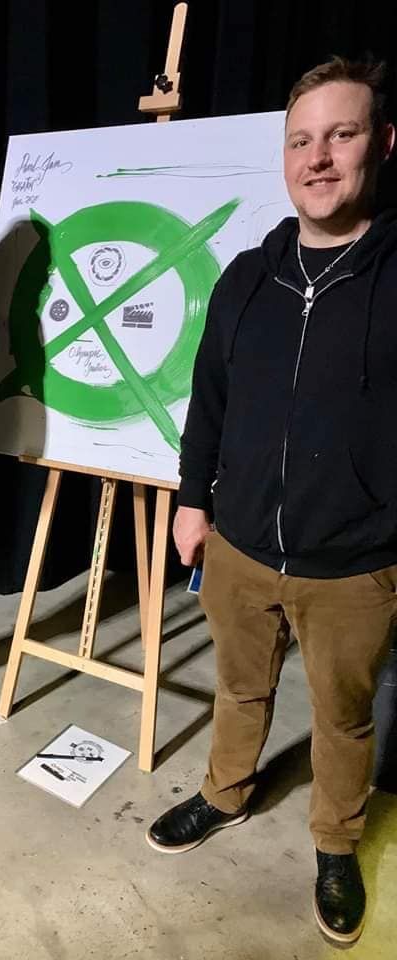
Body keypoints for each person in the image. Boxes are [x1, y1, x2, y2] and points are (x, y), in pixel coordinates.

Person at [146, 58, 397, 947]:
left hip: (357, 562)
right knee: (240, 689)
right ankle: (225, 794)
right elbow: (206, 402)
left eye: (342, 134)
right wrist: (190, 502)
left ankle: (334, 843)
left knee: (342, 715)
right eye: (301, 140)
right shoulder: (247, 276)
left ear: (383, 144)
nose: (318, 158)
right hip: (239, 543)